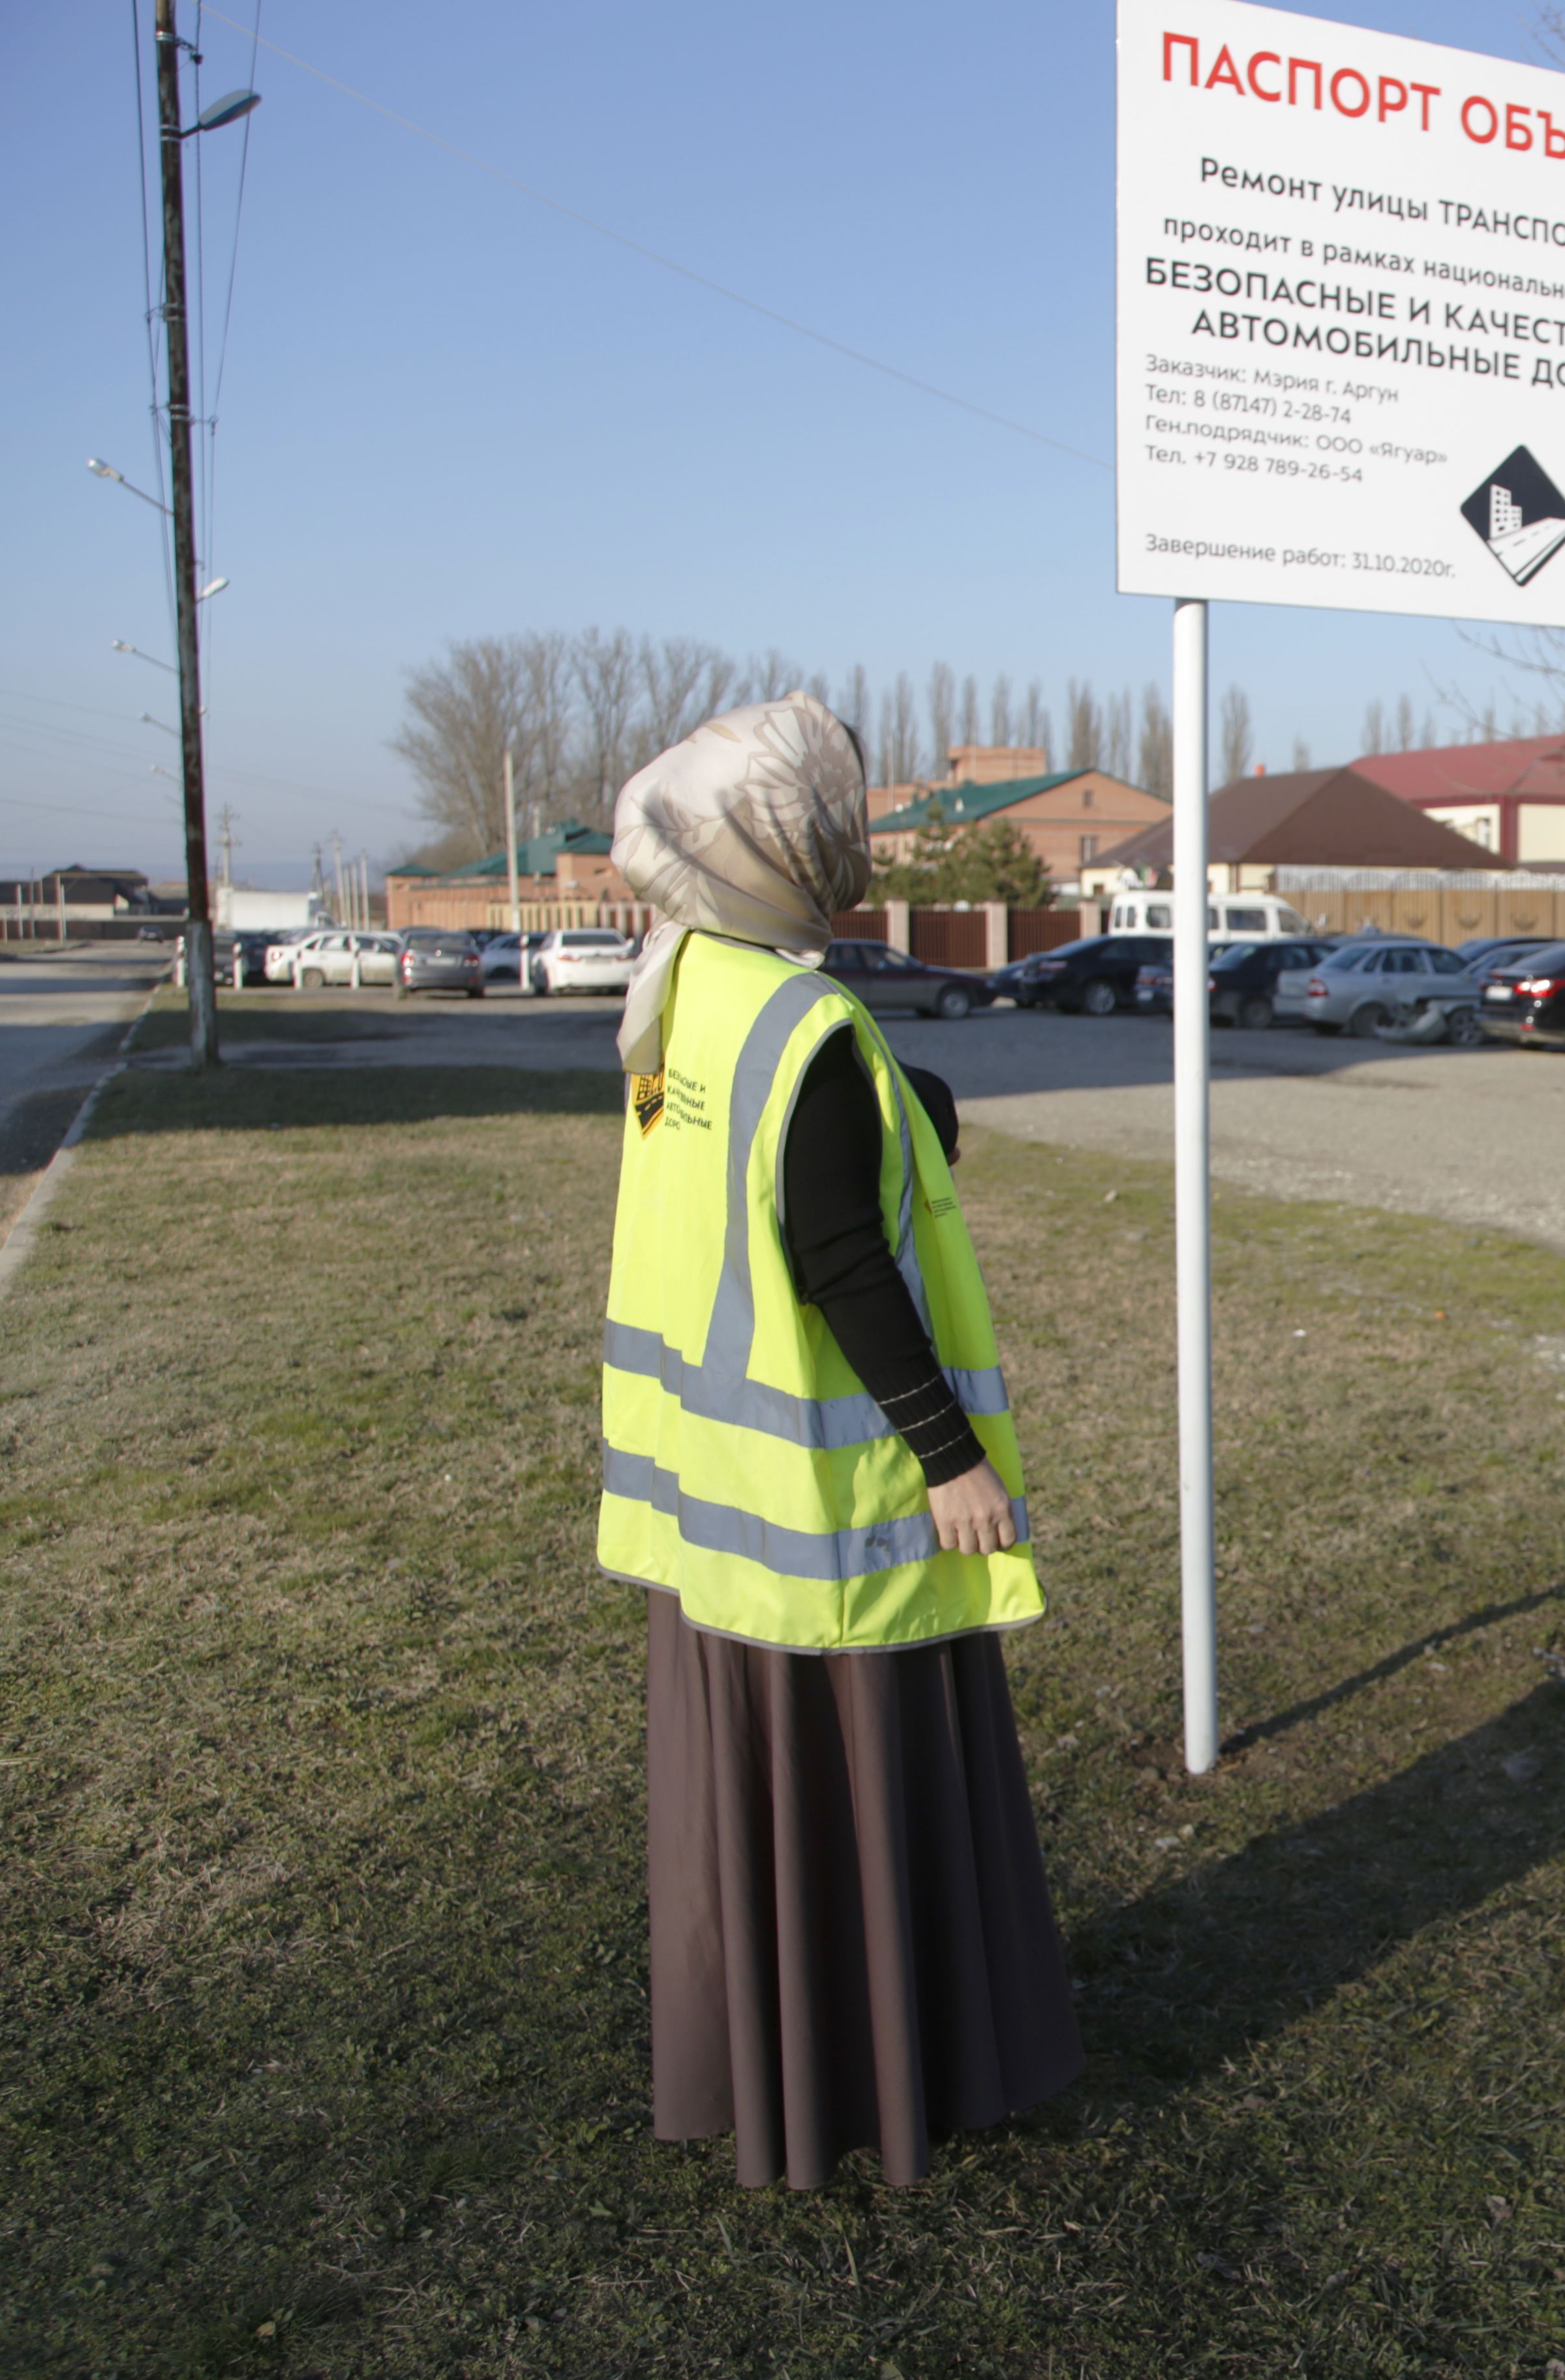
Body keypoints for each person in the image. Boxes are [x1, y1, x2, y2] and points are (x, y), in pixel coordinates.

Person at [598, 692, 1081, 2190]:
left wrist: (907, 1102)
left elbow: (777, 1180)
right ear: (788, 854)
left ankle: (777, 2063)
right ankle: (881, 2077)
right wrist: (952, 1458)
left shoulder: (685, 991)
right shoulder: (811, 1026)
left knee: (766, 1829)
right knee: (861, 1806)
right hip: (833, 1524)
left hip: (714, 1512)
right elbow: (840, 1262)